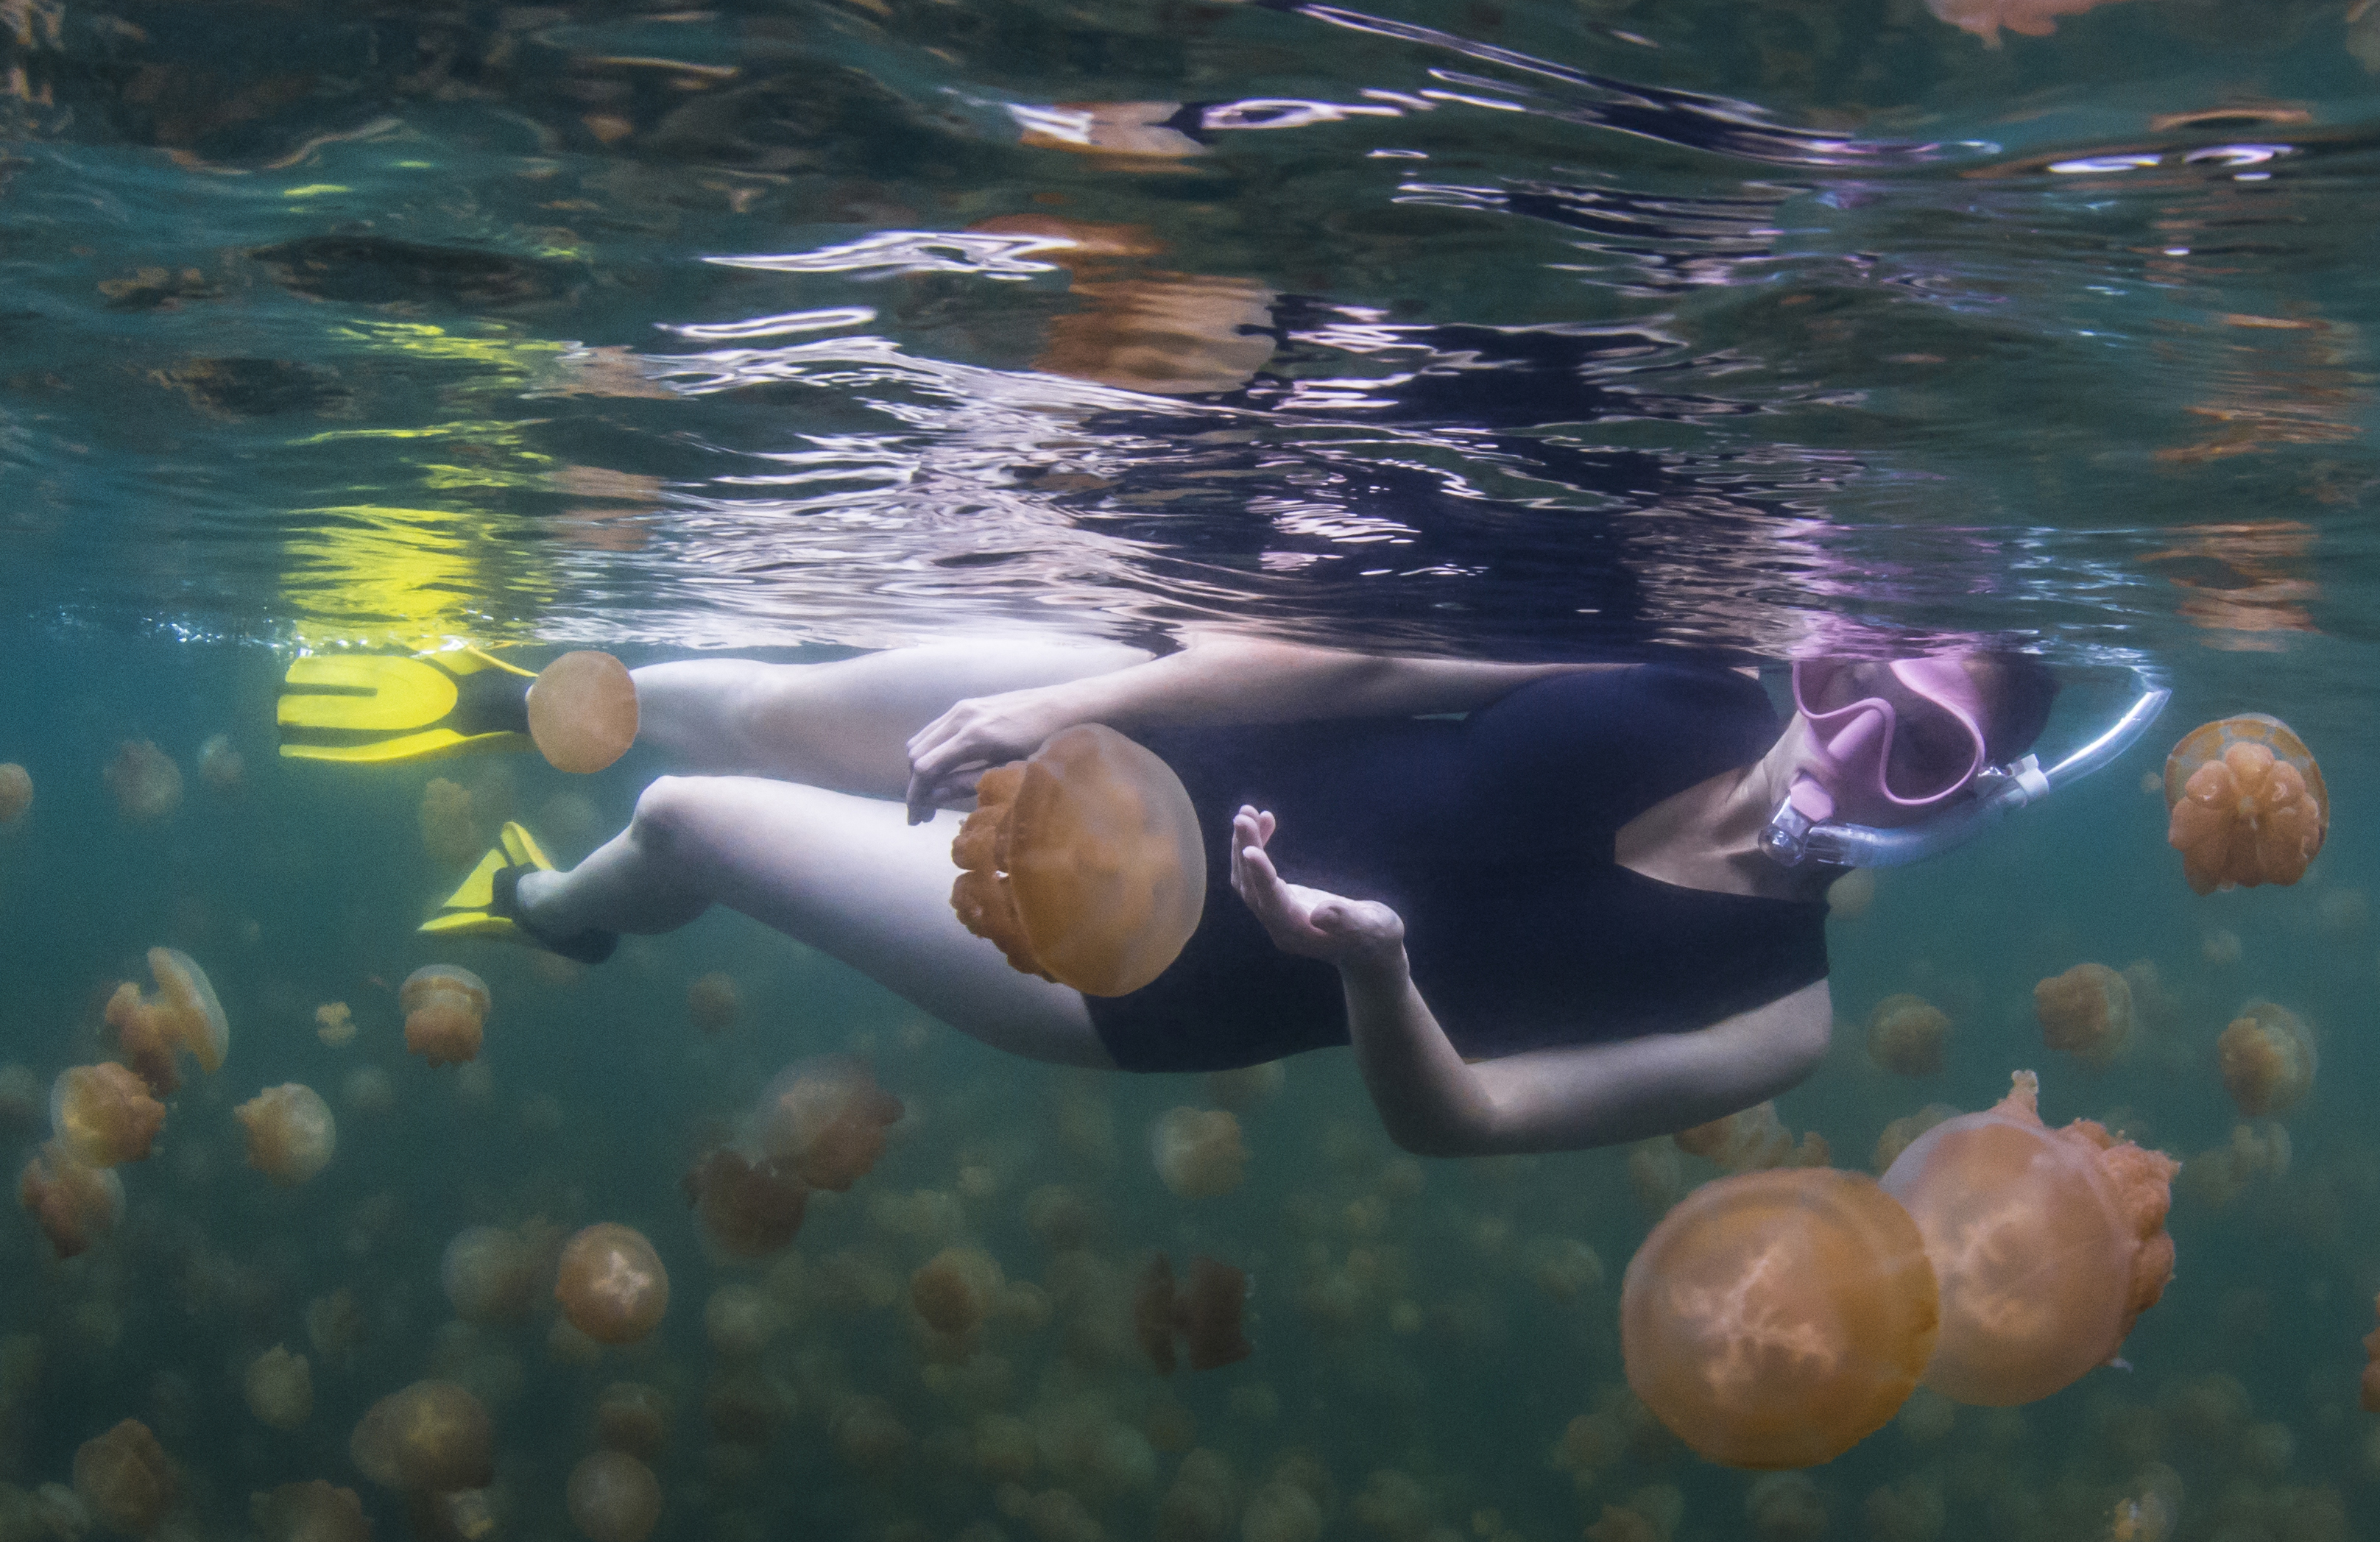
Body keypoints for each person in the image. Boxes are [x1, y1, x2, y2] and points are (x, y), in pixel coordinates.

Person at [278, 637, 2098, 1156]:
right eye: (1853, 672)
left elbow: (1461, 1122)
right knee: (750, 696)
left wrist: (1372, 972)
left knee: (687, 814)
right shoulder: (1692, 672)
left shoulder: (1777, 1013)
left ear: (1979, 803)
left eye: (1917, 746)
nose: (1843, 736)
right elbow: (1371, 668)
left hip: (1136, 975)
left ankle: (565, 910)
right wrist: (1085, 699)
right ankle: (530, 693)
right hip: (1165, 727)